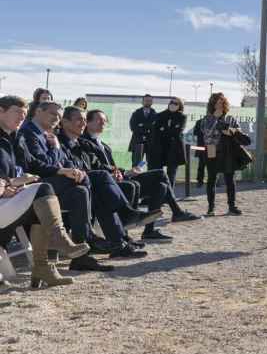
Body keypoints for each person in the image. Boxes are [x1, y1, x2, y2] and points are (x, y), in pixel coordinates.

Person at [0, 95, 90, 288]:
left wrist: (60, 170)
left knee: (42, 199)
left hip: (10, 197)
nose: (21, 117)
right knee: (44, 189)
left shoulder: (16, 137)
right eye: (17, 112)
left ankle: (43, 267)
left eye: (24, 114)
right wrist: (9, 182)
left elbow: (31, 163)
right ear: (1, 111)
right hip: (3, 198)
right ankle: (59, 240)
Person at [81, 109, 201, 241]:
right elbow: (96, 166)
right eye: (99, 120)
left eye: (104, 121)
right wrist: (123, 172)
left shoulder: (104, 145)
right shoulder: (84, 142)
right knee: (154, 180)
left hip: (119, 178)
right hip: (107, 183)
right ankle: (175, 213)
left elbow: (112, 167)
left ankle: (151, 230)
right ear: (88, 122)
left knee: (160, 183)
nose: (103, 123)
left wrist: (127, 171)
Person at [56, 106, 159, 258]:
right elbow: (65, 167)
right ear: (64, 122)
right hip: (68, 187)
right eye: (79, 119)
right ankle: (125, 219)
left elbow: (97, 164)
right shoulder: (57, 141)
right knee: (106, 186)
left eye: (84, 120)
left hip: (86, 185)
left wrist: (114, 171)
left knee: (104, 197)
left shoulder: (81, 143)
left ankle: (119, 243)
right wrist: (106, 173)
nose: (83, 123)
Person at [200, 93, 249, 216]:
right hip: (212, 149)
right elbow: (206, 134)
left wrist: (230, 131)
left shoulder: (230, 118)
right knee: (211, 179)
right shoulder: (207, 119)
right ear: (212, 104)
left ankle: (232, 206)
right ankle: (211, 208)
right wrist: (215, 121)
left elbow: (238, 131)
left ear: (225, 104)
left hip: (228, 151)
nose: (219, 104)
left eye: (221, 102)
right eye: (216, 102)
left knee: (230, 179)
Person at [150, 97, 187, 185]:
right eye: (171, 102)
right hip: (160, 147)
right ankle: (159, 192)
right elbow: (155, 131)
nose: (172, 105)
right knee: (158, 173)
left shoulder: (182, 117)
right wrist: (169, 128)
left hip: (174, 148)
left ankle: (170, 193)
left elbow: (177, 132)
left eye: (176, 103)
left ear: (180, 106)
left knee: (171, 174)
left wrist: (164, 129)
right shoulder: (160, 115)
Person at [129, 94, 158, 166]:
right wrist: (148, 128)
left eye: (150, 101)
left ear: (152, 102)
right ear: (142, 102)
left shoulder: (155, 114)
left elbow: (155, 128)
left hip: (151, 142)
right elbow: (133, 127)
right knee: (136, 164)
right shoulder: (136, 113)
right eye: (146, 100)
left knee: (151, 164)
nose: (148, 102)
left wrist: (142, 125)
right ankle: (136, 173)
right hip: (137, 141)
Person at [191, 118, 207, 186]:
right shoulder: (200, 122)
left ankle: (201, 181)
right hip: (203, 146)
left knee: (208, 165)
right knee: (202, 164)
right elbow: (195, 133)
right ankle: (200, 181)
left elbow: (195, 133)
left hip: (210, 146)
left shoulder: (216, 121)